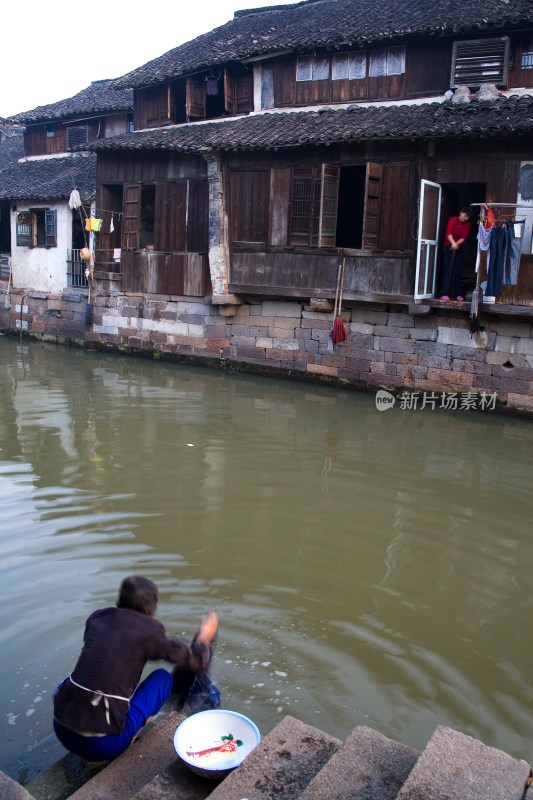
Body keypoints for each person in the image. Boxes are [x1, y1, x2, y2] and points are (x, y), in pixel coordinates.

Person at [53, 575, 218, 762]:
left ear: (120, 599)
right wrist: (205, 635)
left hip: (61, 729)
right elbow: (196, 659)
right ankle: (130, 737)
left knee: (83, 678)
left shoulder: (98, 619)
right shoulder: (149, 632)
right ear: (150, 609)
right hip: (102, 746)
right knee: (162, 679)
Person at [439, 206, 473, 301]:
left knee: (457, 272)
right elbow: (448, 233)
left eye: (468, 217)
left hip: (458, 248)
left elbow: (464, 237)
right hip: (448, 247)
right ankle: (444, 293)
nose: (466, 218)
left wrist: (456, 244)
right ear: (461, 212)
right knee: (447, 271)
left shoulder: (467, 225)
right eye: (465, 215)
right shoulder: (453, 219)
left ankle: (457, 294)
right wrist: (453, 243)